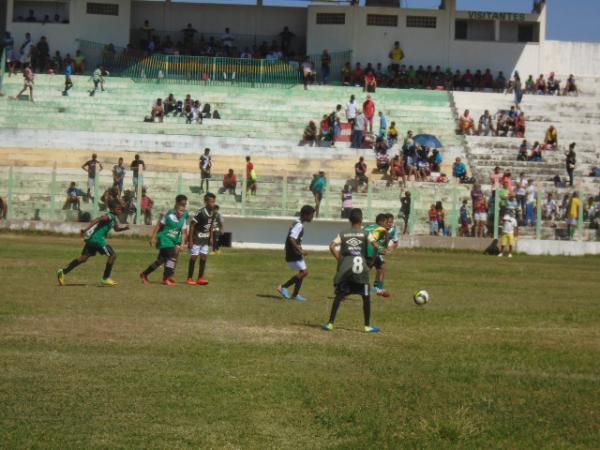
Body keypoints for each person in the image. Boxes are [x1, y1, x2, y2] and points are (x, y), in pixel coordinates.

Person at [322, 208, 380, 333]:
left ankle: (330, 324)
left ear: (349, 220)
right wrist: (372, 260)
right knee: (366, 298)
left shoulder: (343, 233)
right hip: (361, 272)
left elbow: (332, 246)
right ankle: (367, 326)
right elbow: (376, 246)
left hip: (346, 270)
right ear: (361, 219)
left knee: (339, 297)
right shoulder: (365, 233)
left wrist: (340, 259)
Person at [57, 200, 129, 287]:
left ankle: (63, 271)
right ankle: (105, 278)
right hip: (98, 240)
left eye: (120, 209)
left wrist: (124, 229)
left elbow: (116, 229)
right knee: (113, 255)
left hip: (92, 240)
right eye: (118, 209)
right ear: (112, 209)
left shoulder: (114, 218)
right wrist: (86, 229)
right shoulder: (109, 216)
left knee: (83, 259)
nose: (120, 211)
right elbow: (97, 219)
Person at [140, 194, 189, 286]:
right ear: (176, 208)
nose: (182, 212)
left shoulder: (183, 218)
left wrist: (183, 244)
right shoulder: (169, 215)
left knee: (161, 261)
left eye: (183, 210)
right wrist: (153, 237)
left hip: (173, 241)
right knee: (171, 258)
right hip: (165, 239)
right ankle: (166, 278)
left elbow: (183, 232)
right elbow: (159, 225)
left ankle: (144, 274)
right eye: (180, 210)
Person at [276, 205, 315, 302]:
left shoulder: (297, 222)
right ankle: (283, 287)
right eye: (311, 215)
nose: (312, 217)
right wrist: (300, 250)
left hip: (293, 251)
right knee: (304, 272)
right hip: (293, 252)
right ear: (306, 215)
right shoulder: (299, 225)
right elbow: (291, 238)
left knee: (302, 272)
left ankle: (295, 295)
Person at [186, 193, 217, 285]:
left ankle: (200, 278)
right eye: (211, 201)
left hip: (205, 239)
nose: (213, 203)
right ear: (205, 202)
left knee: (204, 256)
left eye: (214, 201)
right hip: (197, 239)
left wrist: (211, 237)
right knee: (194, 257)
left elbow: (211, 226)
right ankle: (189, 278)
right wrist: (190, 240)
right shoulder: (200, 212)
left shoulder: (213, 213)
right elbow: (192, 225)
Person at [364, 213, 395, 297]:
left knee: (381, 266)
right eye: (386, 222)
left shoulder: (369, 226)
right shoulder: (380, 228)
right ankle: (347, 288)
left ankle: (378, 288)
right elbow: (387, 234)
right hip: (370, 250)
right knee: (366, 271)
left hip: (364, 249)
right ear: (380, 222)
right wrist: (385, 247)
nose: (387, 224)